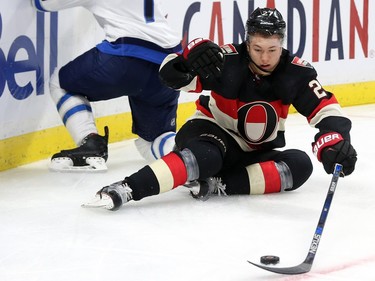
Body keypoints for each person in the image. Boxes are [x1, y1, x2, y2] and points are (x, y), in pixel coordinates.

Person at [82, 7, 357, 211]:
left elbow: (326, 109)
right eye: (257, 48)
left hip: (252, 153)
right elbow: (172, 78)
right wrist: (184, 63)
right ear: (247, 42)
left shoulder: (296, 73)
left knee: (299, 166)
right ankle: (127, 188)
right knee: (207, 157)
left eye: (272, 50)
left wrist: (335, 141)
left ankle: (216, 185)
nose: (264, 57)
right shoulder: (226, 59)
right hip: (211, 136)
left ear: (281, 44)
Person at [31, 0, 182, 171]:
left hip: (126, 58)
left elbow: (43, 4)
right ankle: (192, 164)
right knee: (152, 141)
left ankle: (91, 144)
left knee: (61, 83)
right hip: (171, 64)